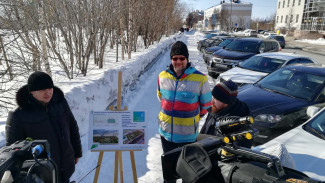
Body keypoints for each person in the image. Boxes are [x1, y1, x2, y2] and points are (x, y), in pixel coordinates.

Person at [6, 71, 82, 183]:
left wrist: (77, 152)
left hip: (65, 166)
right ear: (32, 91)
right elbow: (13, 150)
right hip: (40, 174)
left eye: (49, 88)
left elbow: (72, 127)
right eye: (42, 89)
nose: (47, 92)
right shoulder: (18, 115)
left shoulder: (60, 103)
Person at [157, 41, 212, 154]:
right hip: (165, 133)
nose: (178, 61)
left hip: (187, 137)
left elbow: (206, 106)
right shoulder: (162, 76)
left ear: (187, 59)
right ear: (171, 59)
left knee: (185, 170)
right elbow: (161, 98)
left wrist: (192, 119)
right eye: (175, 58)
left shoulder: (200, 79)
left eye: (182, 58)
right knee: (168, 169)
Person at [199, 80, 253, 148]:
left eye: (216, 98)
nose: (212, 101)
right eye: (213, 97)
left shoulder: (238, 123)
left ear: (225, 102)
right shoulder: (216, 110)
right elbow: (204, 132)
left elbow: (235, 152)